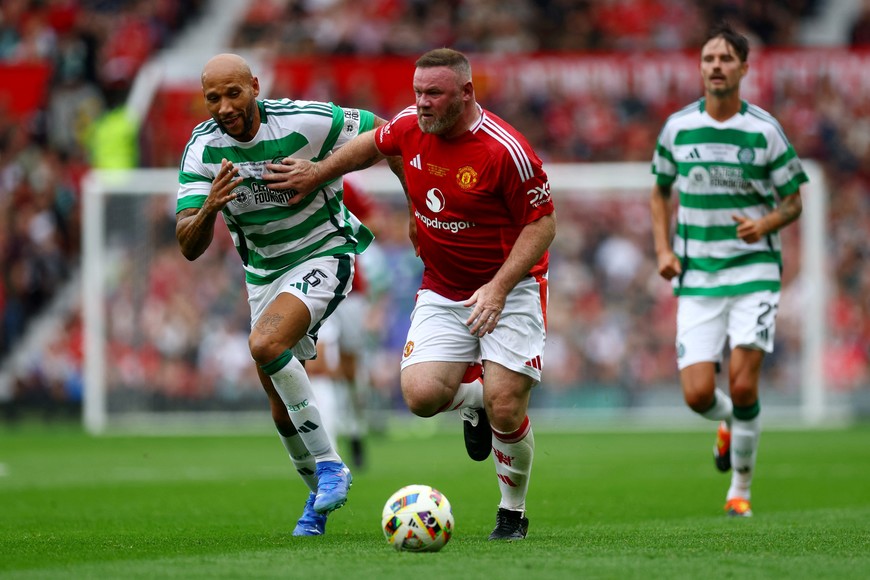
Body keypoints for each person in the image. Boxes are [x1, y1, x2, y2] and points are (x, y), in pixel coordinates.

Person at [263, 48, 556, 541]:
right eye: (418, 92)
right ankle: (474, 402)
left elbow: (543, 224)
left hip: (509, 288)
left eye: (434, 94)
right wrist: (317, 173)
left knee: (506, 406)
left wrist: (500, 287)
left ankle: (512, 512)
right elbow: (372, 146)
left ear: (466, 93)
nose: (421, 103)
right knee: (420, 397)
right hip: (442, 287)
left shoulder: (505, 151)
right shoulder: (409, 124)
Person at [175, 53, 402, 536]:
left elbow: (390, 134)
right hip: (263, 276)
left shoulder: (305, 120)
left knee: (264, 344)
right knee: (280, 406)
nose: (224, 106)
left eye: (233, 93)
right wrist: (210, 208)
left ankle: (333, 464)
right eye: (212, 97)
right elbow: (187, 245)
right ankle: (316, 505)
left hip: (324, 252)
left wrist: (417, 212)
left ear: (255, 86)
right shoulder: (202, 150)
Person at [650, 22, 806, 518]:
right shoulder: (677, 128)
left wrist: (764, 224)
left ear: (743, 68)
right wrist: (663, 251)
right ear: (700, 68)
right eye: (708, 58)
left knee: (743, 385)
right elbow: (659, 191)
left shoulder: (764, 130)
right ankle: (727, 424)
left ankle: (740, 488)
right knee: (698, 395)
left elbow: (794, 201)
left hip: (754, 271)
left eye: (725, 59)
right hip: (696, 275)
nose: (715, 66)